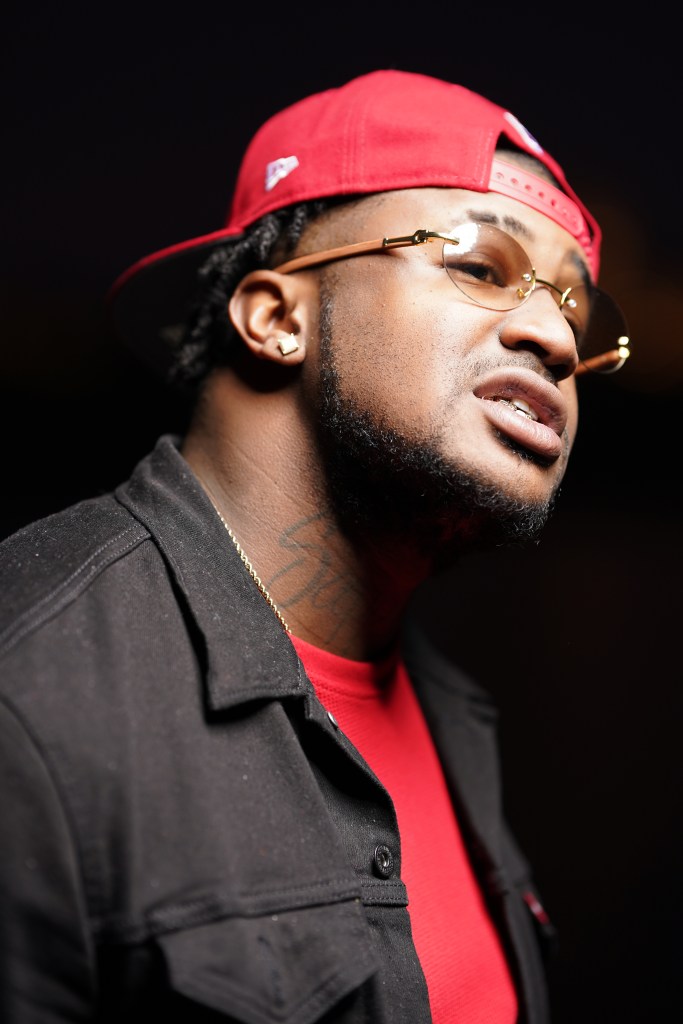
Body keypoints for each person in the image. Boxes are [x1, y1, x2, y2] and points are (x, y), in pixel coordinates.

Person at [0, 69, 631, 1023]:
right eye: (477, 265)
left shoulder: (454, 716)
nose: (553, 334)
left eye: (575, 311)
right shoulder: (33, 692)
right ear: (276, 317)